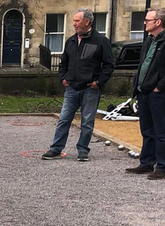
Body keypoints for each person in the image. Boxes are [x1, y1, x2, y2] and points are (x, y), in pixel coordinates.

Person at [41, 8, 113, 162]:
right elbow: (63, 63)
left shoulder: (101, 41)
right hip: (72, 88)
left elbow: (109, 65)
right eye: (74, 21)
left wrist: (98, 83)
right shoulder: (71, 41)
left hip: (90, 88)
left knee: (87, 121)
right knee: (64, 119)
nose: (74, 24)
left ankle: (83, 150)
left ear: (87, 22)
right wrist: (63, 78)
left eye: (77, 21)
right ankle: (56, 149)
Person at [125, 7, 165, 180]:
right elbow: (143, 65)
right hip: (143, 92)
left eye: (147, 20)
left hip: (158, 94)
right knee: (147, 130)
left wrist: (160, 87)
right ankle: (146, 163)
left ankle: (163, 166)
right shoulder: (150, 40)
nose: (144, 23)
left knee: (161, 131)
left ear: (158, 22)